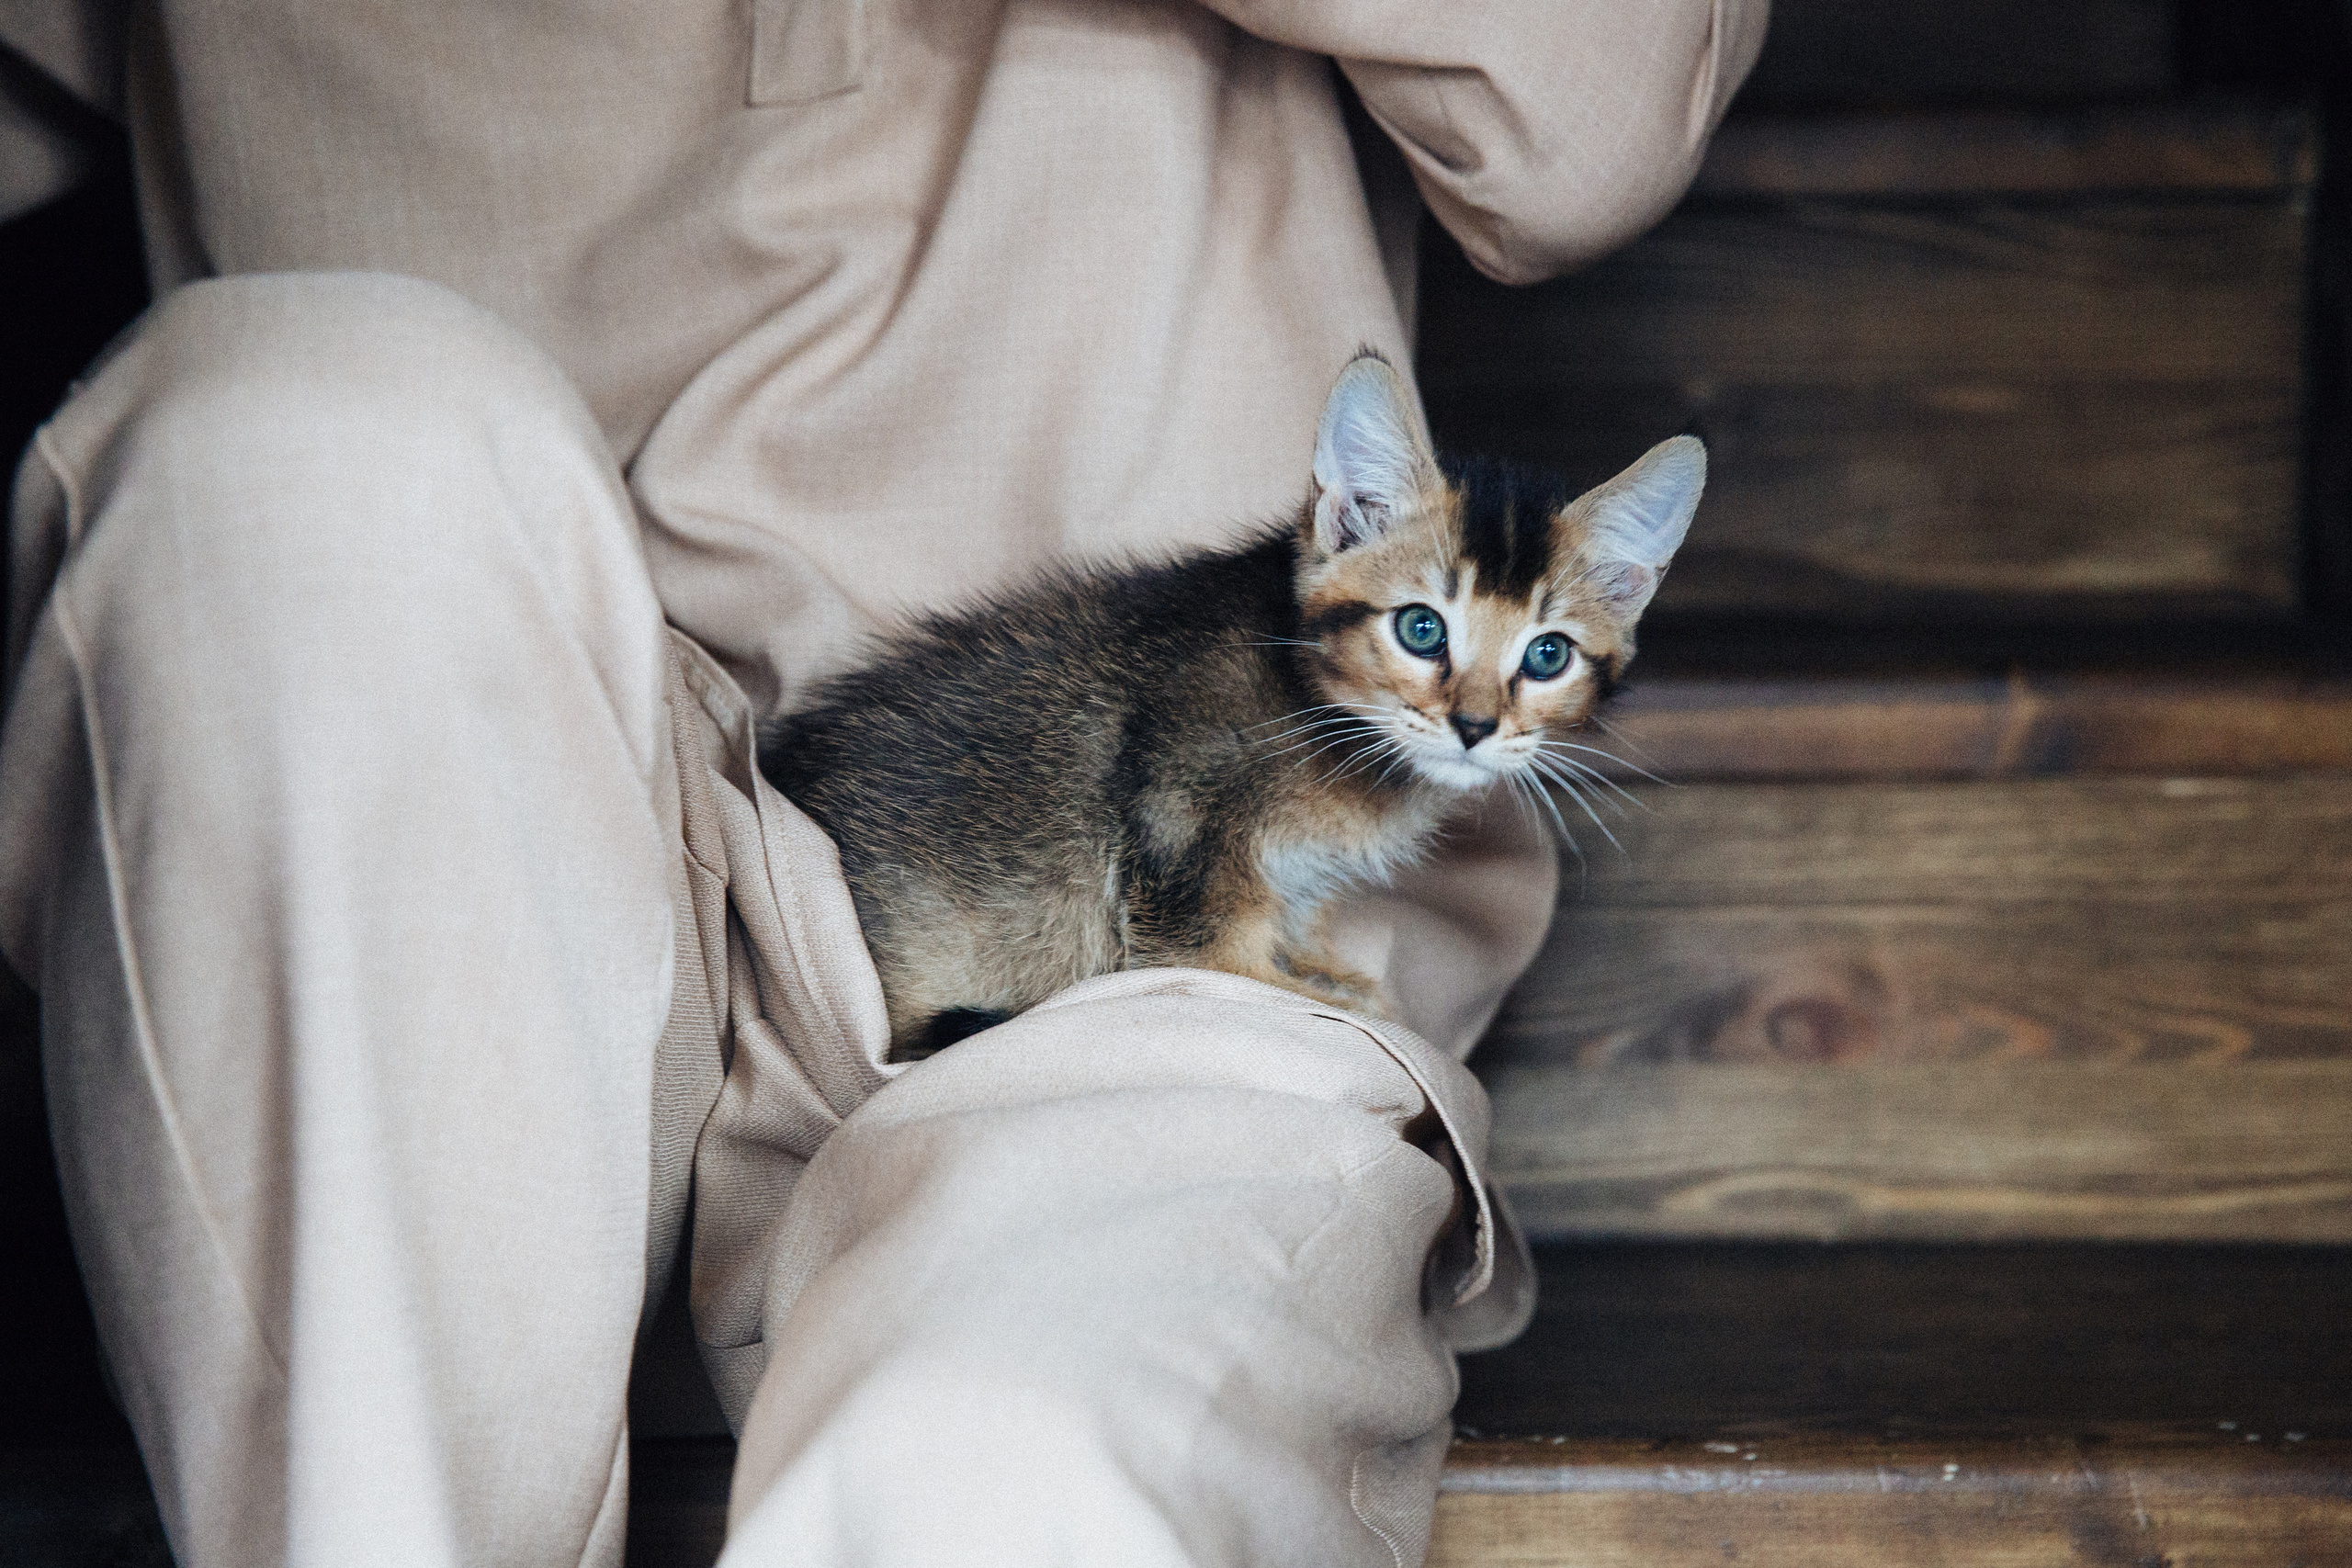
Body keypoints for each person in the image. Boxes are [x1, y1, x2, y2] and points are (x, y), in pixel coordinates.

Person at [0, 4, 1763, 1563]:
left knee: (1008, 1475)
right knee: (287, 447)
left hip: (1142, 965)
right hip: (448, 922)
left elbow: (1593, 117)